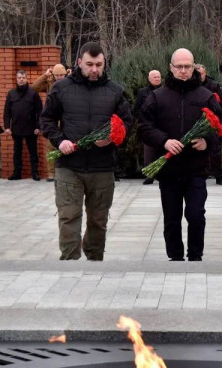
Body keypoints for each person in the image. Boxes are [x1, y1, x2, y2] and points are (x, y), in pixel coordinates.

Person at [39, 42, 132, 261]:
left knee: (98, 221)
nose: (94, 69)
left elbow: (128, 123)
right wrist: (59, 141)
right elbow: (46, 120)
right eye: (89, 64)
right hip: (69, 166)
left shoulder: (115, 91)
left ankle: (94, 261)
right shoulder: (62, 89)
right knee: (69, 217)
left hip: (102, 167)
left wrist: (112, 137)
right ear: (79, 62)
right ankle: (70, 263)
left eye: (99, 65)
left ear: (104, 63)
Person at [139, 48, 222, 262]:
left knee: (196, 215)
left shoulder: (206, 96)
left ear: (194, 67)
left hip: (196, 168)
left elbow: (221, 128)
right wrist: (164, 141)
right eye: (179, 67)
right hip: (169, 170)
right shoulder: (157, 97)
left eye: (188, 67)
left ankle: (195, 256)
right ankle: (175, 258)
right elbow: (143, 128)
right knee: (172, 217)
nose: (184, 71)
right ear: (171, 68)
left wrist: (207, 142)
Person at [4, 70, 43, 181]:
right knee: (17, 152)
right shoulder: (11, 94)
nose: (21, 79)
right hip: (16, 128)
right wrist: (7, 127)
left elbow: (40, 111)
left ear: (26, 79)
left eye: (23, 77)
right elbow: (7, 112)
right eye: (19, 77)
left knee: (33, 152)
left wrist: (38, 126)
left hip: (31, 128)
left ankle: (35, 173)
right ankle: (17, 173)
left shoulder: (33, 93)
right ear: (16, 79)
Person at [32, 63, 67, 182]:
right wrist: (45, 76)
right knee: (51, 147)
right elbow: (34, 88)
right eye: (57, 75)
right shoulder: (49, 83)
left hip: (65, 118)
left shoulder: (70, 82)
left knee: (65, 145)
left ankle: (65, 171)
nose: (60, 77)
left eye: (62, 75)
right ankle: (51, 174)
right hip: (52, 118)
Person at [196, 63, 222, 186]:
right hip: (198, 120)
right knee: (197, 148)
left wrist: (215, 102)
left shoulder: (214, 85)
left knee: (215, 149)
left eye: (201, 74)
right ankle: (201, 173)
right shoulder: (193, 86)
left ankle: (219, 176)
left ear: (205, 73)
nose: (199, 76)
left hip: (212, 120)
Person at [134, 69, 162, 185]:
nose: (157, 79)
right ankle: (149, 175)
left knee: (162, 150)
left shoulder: (165, 91)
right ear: (149, 79)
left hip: (162, 124)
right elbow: (136, 108)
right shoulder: (143, 92)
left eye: (159, 77)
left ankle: (162, 174)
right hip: (149, 125)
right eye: (154, 77)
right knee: (148, 152)